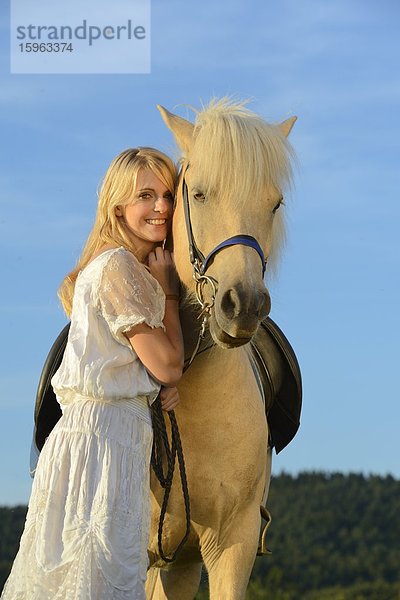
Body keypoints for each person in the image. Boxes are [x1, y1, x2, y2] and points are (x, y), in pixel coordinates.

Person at [1, 147, 184, 600]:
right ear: (118, 206)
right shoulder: (118, 267)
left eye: (167, 195)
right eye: (146, 195)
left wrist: (153, 391)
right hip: (100, 445)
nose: (161, 207)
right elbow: (168, 364)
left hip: (112, 438)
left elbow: (147, 370)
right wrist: (170, 295)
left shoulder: (120, 267)